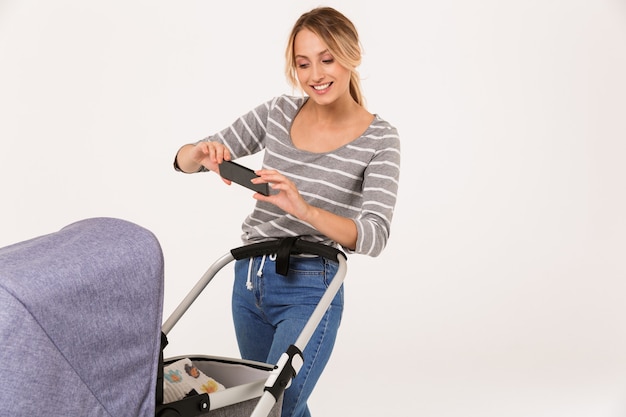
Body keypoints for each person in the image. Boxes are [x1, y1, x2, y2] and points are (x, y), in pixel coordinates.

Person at [173, 6, 400, 417]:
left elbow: (374, 234)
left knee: (270, 407)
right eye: (303, 63)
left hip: (312, 285)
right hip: (249, 281)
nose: (316, 74)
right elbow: (187, 160)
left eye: (327, 58)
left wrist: (304, 208)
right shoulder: (278, 112)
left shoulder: (380, 138)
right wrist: (200, 152)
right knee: (266, 408)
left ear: (352, 55)